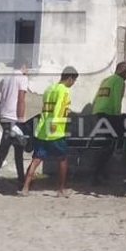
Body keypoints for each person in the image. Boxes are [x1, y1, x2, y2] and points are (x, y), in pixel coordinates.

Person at [20, 66, 78, 197]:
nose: (73, 84)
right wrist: (55, 123)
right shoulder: (64, 90)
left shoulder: (49, 88)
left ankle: (25, 188)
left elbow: (46, 108)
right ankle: (61, 190)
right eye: (74, 81)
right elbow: (59, 108)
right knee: (62, 159)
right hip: (55, 131)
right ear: (70, 78)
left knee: (36, 159)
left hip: (42, 129)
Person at [0, 61, 29, 192]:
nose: (27, 70)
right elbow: (21, 100)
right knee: (12, 151)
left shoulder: (6, 78)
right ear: (23, 66)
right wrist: (21, 120)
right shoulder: (22, 78)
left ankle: (19, 181)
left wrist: (0, 104)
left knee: (10, 149)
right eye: (27, 67)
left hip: (4, 116)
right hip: (14, 118)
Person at [90, 62, 126, 185]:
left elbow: (95, 100)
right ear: (125, 73)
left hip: (97, 114)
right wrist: (118, 117)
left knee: (107, 144)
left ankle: (101, 172)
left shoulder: (105, 80)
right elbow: (117, 100)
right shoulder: (119, 81)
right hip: (109, 115)